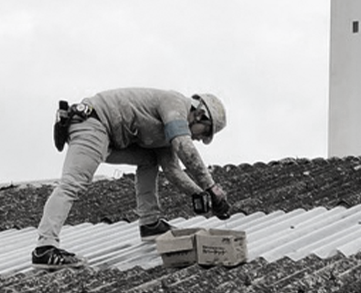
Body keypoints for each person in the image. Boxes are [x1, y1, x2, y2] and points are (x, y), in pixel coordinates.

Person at [31, 87, 231, 269]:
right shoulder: (175, 103)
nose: (199, 139)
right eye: (204, 133)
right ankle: (45, 248)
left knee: (150, 159)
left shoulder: (168, 133)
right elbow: (184, 147)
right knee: (72, 184)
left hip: (111, 137)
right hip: (93, 123)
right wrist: (211, 188)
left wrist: (201, 194)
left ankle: (150, 223)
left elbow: (173, 171)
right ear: (200, 115)